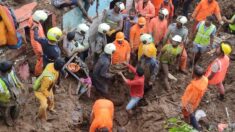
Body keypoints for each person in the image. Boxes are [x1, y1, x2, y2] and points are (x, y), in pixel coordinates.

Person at [181, 65, 208, 130]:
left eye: (193, 72)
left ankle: (189, 125)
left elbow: (192, 99)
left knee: (188, 114)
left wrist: (186, 105)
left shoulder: (195, 87)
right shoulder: (205, 79)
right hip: (197, 101)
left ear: (195, 75)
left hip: (189, 102)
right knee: (190, 113)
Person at [29, 10, 48, 76]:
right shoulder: (36, 30)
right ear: (40, 21)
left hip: (39, 41)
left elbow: (36, 14)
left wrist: (42, 12)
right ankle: (37, 73)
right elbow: (37, 44)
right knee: (40, 61)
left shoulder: (32, 18)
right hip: (38, 46)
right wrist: (41, 52)